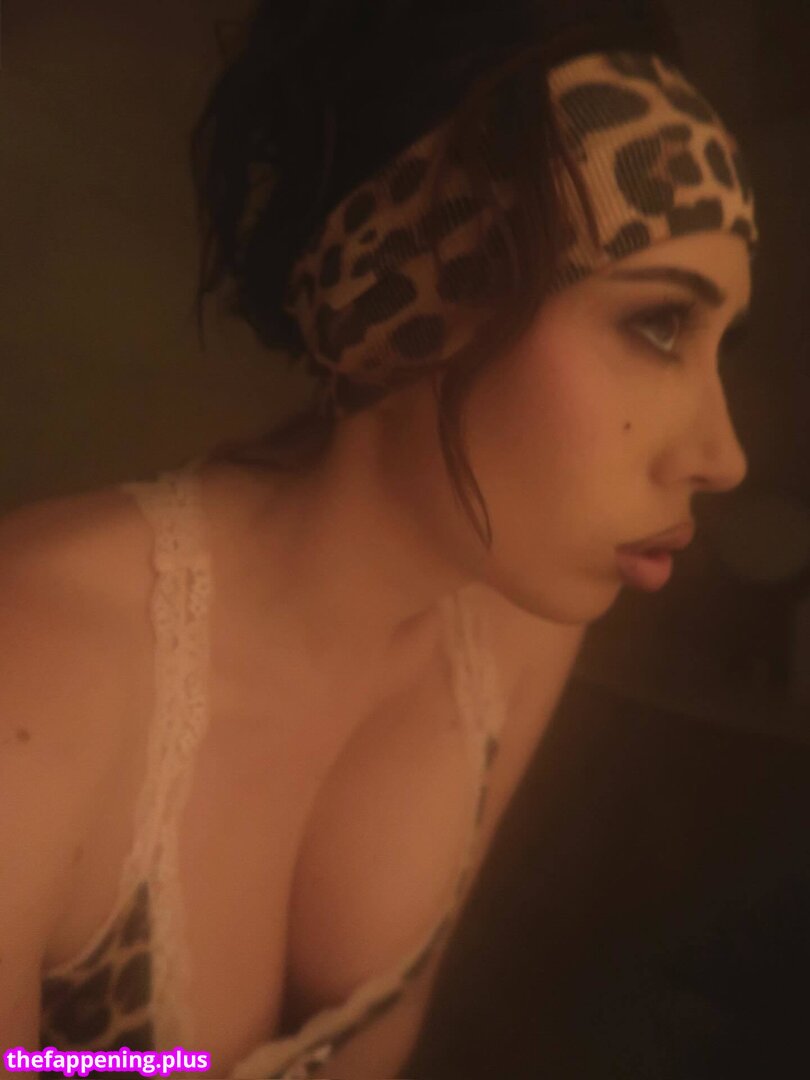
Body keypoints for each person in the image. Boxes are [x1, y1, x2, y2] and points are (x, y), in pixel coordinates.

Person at [0, 1, 758, 1077]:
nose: (725, 456)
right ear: (413, 299)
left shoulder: (520, 624)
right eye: (659, 322)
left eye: (719, 339)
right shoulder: (37, 670)